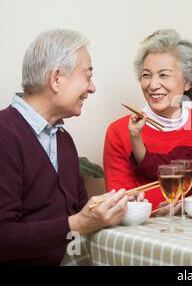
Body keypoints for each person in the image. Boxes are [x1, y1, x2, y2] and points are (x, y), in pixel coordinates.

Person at [0, 29, 129, 265]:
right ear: (57, 78)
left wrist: (119, 205)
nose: (92, 88)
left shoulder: (63, 140)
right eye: (87, 76)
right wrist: (78, 223)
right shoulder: (4, 134)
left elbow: (80, 210)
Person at [104, 29, 192, 211]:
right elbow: (121, 202)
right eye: (146, 75)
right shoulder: (119, 131)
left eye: (164, 75)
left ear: (188, 81)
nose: (152, 85)